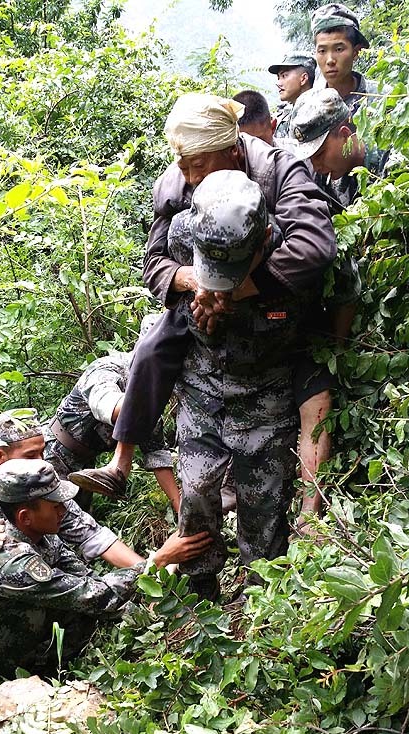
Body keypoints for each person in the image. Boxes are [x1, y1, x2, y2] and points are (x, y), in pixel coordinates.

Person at [70, 92, 336, 542]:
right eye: (184, 166)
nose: (191, 178)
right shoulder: (176, 185)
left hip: (268, 360)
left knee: (262, 511)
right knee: (195, 495)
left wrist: (237, 286)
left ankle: (265, 577)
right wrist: (196, 282)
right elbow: (154, 264)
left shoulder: (278, 172)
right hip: (202, 363)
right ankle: (128, 468)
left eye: (200, 165)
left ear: (232, 150)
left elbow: (312, 247)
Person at [0, 410, 203, 684]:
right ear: (0, 457)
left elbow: (93, 557)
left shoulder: (44, 512)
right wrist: (158, 561)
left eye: (42, 452)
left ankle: (38, 671)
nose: (41, 462)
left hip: (11, 614)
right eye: (30, 456)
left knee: (75, 612)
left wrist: (155, 584)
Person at [171, 170, 303, 600]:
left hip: (266, 391)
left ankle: (260, 599)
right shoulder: (183, 232)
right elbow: (158, 273)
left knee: (262, 501)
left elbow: (341, 297)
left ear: (262, 238)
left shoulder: (295, 253)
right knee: (195, 490)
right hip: (203, 384)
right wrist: (196, 287)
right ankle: (200, 589)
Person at [46, 316, 180, 513]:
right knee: (49, 519)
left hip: (86, 466)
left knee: (77, 522)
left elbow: (157, 456)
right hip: (53, 453)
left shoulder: (152, 401)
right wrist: (149, 388)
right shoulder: (107, 369)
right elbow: (107, 404)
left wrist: (180, 508)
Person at [289, 88, 390, 207]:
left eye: (320, 154)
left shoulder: (391, 162)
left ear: (345, 135)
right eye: (310, 158)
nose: (316, 167)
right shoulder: (329, 178)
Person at [311, 3, 378, 117]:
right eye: (322, 51)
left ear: (356, 52)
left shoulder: (381, 97)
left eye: (338, 49)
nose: (330, 60)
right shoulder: (309, 106)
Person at [266, 54, 316, 140]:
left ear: (303, 79)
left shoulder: (314, 113)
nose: (278, 83)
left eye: (284, 76)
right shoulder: (288, 111)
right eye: (278, 78)